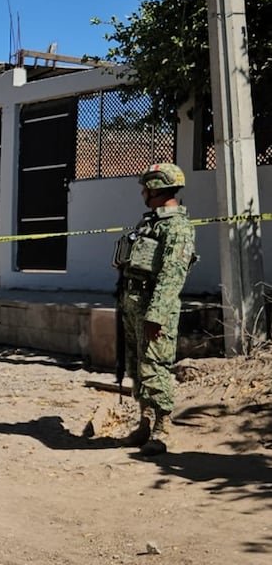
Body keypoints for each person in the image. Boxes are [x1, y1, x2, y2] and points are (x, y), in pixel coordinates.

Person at [113, 163, 196, 456]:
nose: (143, 192)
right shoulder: (151, 223)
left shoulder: (178, 228)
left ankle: (163, 428)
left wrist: (156, 315)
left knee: (155, 366)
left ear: (158, 188)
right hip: (134, 304)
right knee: (138, 366)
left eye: (146, 187)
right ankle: (145, 422)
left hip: (153, 310)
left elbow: (172, 275)